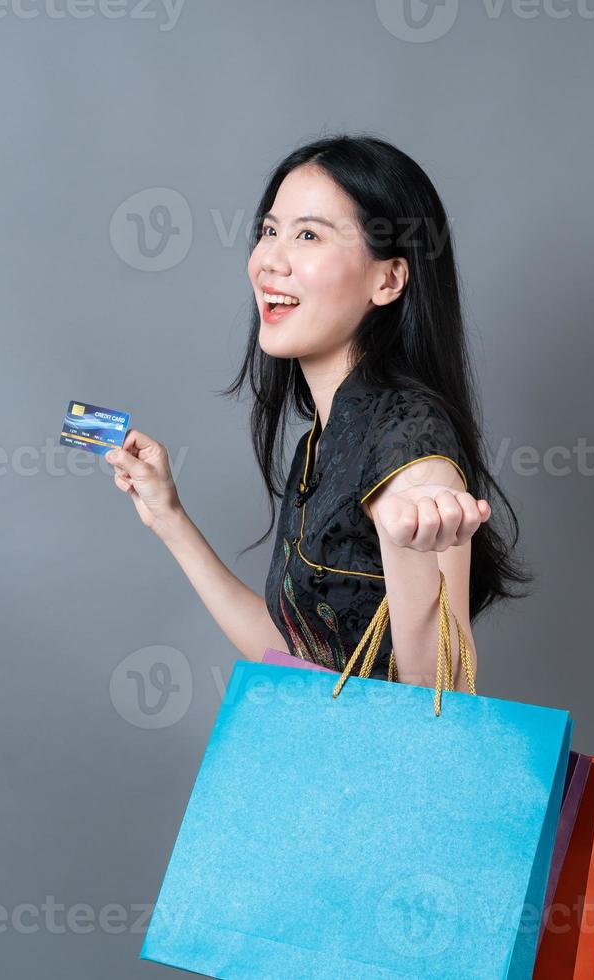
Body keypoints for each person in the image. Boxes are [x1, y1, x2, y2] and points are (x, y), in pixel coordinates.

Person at [106, 134, 531, 693]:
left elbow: (443, 695)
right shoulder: (328, 437)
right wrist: (168, 517)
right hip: (328, 770)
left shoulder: (409, 435)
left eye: (308, 235)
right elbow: (298, 659)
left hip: (383, 779)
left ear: (389, 279)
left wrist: (408, 550)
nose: (269, 261)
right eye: (269, 231)